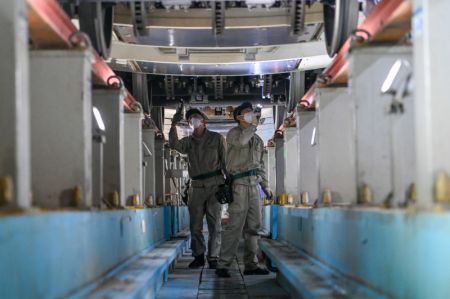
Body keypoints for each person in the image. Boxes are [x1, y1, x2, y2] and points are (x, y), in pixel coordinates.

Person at [216, 102, 273, 278]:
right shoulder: (234, 134)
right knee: (234, 226)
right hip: (239, 185)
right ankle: (223, 264)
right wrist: (252, 127)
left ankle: (251, 264)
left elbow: (260, 166)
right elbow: (241, 142)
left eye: (252, 112)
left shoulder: (257, 140)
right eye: (247, 113)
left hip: (254, 185)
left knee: (254, 227)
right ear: (239, 117)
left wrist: (266, 187)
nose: (251, 115)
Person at [169, 106, 227, 269]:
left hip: (215, 185)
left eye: (196, 117)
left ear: (203, 121)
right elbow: (174, 144)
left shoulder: (217, 139)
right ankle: (199, 255)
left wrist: (229, 183)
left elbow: (225, 162)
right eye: (190, 119)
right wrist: (174, 123)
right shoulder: (188, 142)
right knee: (195, 225)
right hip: (195, 187)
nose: (193, 120)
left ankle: (213, 257)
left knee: (215, 224)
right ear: (189, 123)